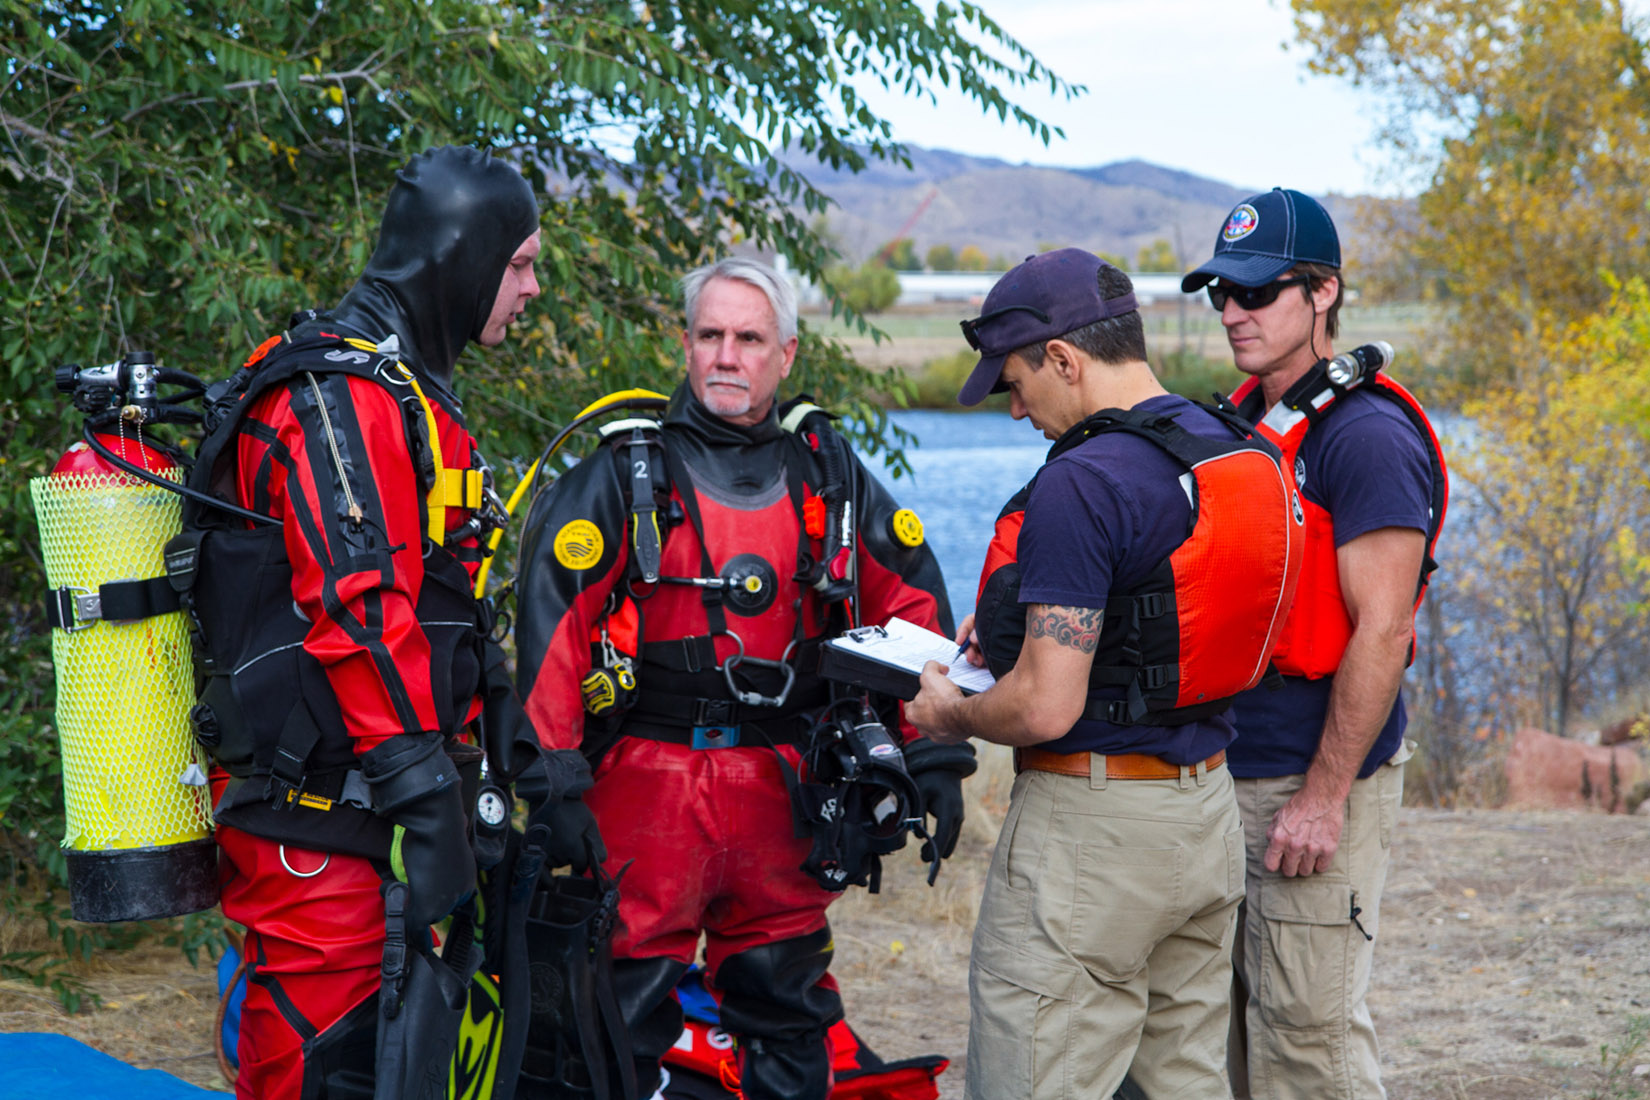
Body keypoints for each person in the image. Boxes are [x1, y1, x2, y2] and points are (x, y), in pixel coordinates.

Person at [513, 255, 970, 1100]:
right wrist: (554, 789)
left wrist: (934, 758)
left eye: (749, 338)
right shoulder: (621, 475)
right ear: (685, 346)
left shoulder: (828, 477)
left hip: (781, 796)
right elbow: (552, 630)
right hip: (644, 796)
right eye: (711, 335)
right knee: (610, 1024)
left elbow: (913, 608)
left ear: (786, 355)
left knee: (791, 1016)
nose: (728, 355)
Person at [178, 145, 541, 1097]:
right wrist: (426, 801)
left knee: (397, 1061)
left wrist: (502, 718)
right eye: (520, 264)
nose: (532, 289)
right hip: (330, 828)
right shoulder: (343, 399)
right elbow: (363, 612)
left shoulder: (398, 392)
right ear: (461, 256)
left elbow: (444, 594)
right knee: (330, 1061)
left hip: (357, 813)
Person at [907, 248, 1304, 1099]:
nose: (1017, 411)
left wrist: (950, 716)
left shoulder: (1082, 481)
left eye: (1016, 384)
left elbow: (1048, 706)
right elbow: (1158, 615)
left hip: (1091, 834)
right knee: (1183, 1084)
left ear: (1064, 359)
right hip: (1205, 814)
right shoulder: (1234, 447)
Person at [1181, 187, 1448, 1100]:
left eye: (1257, 292)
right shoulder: (1244, 424)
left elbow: (1385, 628)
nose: (1232, 311)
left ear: (1323, 293)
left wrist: (1325, 797)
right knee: (1228, 1038)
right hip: (1228, 766)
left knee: (1309, 1042)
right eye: (1222, 292)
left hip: (1308, 777)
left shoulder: (1367, 436)